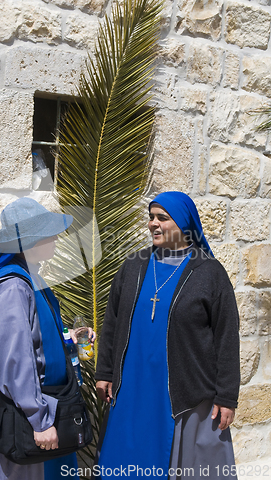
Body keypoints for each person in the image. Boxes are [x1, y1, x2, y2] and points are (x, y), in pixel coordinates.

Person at [95, 191, 240, 479]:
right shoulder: (133, 266)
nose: (153, 224)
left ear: (184, 224)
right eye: (151, 217)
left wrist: (227, 396)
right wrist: (105, 371)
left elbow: (226, 336)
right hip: (133, 386)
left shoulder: (209, 272)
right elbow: (112, 321)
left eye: (162, 218)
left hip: (182, 391)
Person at [0, 197, 95, 480]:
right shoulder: (12, 287)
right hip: (23, 409)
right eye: (47, 232)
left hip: (42, 401)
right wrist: (40, 421)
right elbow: (15, 358)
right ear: (31, 240)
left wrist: (68, 336)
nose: (55, 237)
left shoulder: (31, 278)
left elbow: (36, 336)